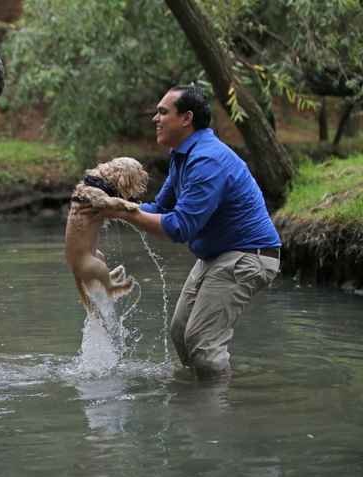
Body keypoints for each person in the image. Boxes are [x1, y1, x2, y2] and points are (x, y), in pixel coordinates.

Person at [79, 85, 281, 377]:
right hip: (219, 256)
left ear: (186, 118)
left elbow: (179, 227)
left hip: (248, 256)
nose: (155, 119)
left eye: (163, 112)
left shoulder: (207, 160)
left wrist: (120, 209)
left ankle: (216, 414)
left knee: (201, 343)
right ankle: (198, 399)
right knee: (181, 332)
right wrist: (114, 206)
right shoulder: (183, 156)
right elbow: (160, 209)